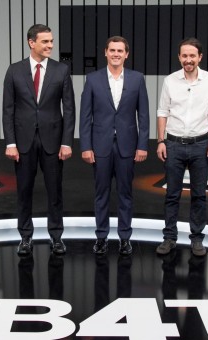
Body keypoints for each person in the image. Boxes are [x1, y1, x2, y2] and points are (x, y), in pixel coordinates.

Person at [2, 24, 76, 256]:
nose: (50, 45)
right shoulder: (14, 70)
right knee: (24, 191)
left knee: (55, 191)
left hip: (53, 141)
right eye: (45, 41)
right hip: (23, 142)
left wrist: (67, 142)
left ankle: (56, 237)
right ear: (31, 42)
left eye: (51, 41)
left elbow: (69, 108)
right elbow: (8, 110)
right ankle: (25, 238)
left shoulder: (61, 70)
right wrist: (10, 143)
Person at [79, 36, 149, 255]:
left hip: (128, 146)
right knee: (101, 193)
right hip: (100, 146)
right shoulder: (92, 79)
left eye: (120, 50)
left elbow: (144, 115)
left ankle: (125, 238)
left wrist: (143, 145)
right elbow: (85, 116)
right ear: (105, 52)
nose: (116, 54)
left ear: (126, 54)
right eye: (112, 50)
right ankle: (101, 237)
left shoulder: (137, 79)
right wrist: (85, 146)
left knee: (125, 194)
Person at [155, 37, 208, 257]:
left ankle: (197, 239)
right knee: (171, 195)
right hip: (173, 144)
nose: (188, 59)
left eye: (192, 55)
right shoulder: (170, 81)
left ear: (199, 57)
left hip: (201, 145)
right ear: (179, 57)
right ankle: (169, 238)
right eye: (184, 55)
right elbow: (162, 111)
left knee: (199, 195)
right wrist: (160, 141)